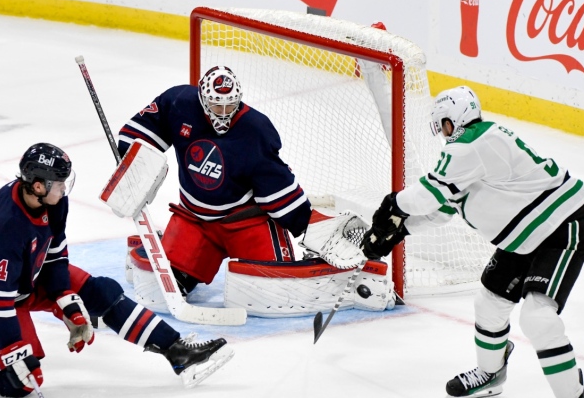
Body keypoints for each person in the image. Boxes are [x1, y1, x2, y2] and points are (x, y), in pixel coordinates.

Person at [360, 86, 584, 398]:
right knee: (488, 303)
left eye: (442, 125)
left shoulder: (474, 144)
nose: (442, 132)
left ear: (453, 118)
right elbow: (441, 209)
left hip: (561, 227)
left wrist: (392, 205)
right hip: (525, 235)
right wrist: (400, 231)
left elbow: (425, 196)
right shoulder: (469, 153)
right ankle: (491, 373)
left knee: (538, 317)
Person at [0, 143, 234, 396]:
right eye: (58, 183)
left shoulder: (54, 201)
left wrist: (67, 303)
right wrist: (12, 351)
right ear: (37, 186)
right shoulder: (3, 228)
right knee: (19, 380)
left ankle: (176, 350)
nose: (65, 188)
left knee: (102, 292)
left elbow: (55, 255)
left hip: (27, 275)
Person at [114, 66, 390, 317]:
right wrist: (131, 164)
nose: (222, 113)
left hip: (245, 222)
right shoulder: (178, 103)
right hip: (194, 220)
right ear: (202, 98)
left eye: (229, 105)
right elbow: (137, 133)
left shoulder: (255, 129)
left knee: (272, 289)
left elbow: (275, 185)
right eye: (215, 105)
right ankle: (167, 248)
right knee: (158, 288)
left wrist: (305, 224)